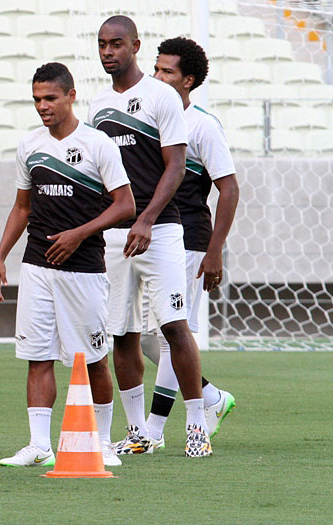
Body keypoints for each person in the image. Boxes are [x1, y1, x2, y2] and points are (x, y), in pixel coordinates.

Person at [0, 62, 135, 468]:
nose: (42, 106)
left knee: (91, 360)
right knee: (37, 356)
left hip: (85, 269)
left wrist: (80, 233)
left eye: (50, 98)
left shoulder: (97, 144)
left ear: (71, 96)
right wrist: (1, 255)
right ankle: (39, 445)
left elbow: (126, 205)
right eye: (37, 99)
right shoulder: (29, 145)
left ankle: (103, 442)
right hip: (36, 266)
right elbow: (22, 207)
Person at [88, 16, 212, 457]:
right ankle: (139, 430)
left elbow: (176, 167)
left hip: (160, 232)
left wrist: (146, 220)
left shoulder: (162, 97)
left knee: (173, 327)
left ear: (135, 45)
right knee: (120, 332)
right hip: (116, 237)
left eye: (116, 43)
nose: (108, 51)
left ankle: (197, 423)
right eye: (102, 44)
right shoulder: (97, 106)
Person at [139, 36, 239, 448]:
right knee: (142, 336)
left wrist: (215, 251)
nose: (157, 76)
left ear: (188, 80)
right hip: (152, 240)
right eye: (156, 68)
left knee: (169, 333)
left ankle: (154, 429)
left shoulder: (202, 124)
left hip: (191, 240)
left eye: (167, 71)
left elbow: (229, 189)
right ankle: (212, 396)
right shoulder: (147, 118)